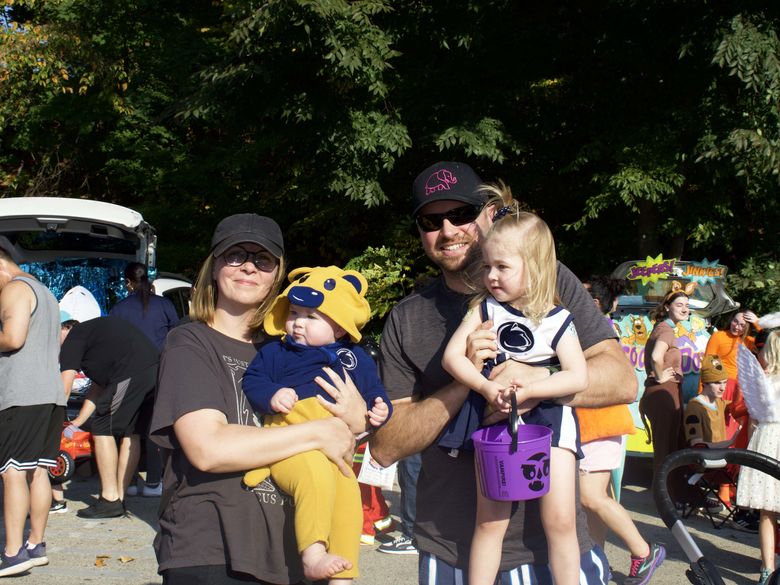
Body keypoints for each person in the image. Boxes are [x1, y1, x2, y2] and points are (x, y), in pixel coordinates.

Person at [370, 161, 639, 585]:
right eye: (431, 220)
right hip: (452, 549)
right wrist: (468, 384)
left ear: (489, 215)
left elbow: (621, 379)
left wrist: (534, 381)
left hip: (555, 550)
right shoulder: (408, 318)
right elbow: (385, 447)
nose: (448, 230)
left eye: (460, 215)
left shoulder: (549, 281)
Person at [149, 214, 358, 584]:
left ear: (277, 276)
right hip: (210, 549)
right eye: (235, 255)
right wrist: (317, 433)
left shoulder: (292, 348)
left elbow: (350, 428)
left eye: (263, 260)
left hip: (287, 550)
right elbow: (207, 448)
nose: (248, 266)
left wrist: (355, 415)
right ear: (213, 267)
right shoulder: (190, 343)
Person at [441, 187, 588, 585]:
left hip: (552, 419)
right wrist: (487, 390)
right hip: (496, 418)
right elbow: (452, 359)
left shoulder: (558, 319)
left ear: (536, 267)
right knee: (490, 521)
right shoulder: (483, 309)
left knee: (560, 520)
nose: (490, 276)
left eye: (502, 267)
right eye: (487, 266)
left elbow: (578, 376)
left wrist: (531, 390)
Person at [241, 265, 392, 582]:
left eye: (311, 317)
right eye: (294, 313)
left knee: (349, 499)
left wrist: (381, 409)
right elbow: (252, 380)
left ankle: (344, 575)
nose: (297, 323)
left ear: (339, 328)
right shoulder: (277, 352)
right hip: (290, 447)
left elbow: (375, 392)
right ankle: (313, 553)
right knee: (315, 474)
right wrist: (271, 395)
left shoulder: (355, 357)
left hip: (337, 454)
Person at [577, 277, 664, 581]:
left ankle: (643, 550)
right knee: (593, 499)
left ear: (594, 304)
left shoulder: (596, 331)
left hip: (600, 422)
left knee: (591, 497)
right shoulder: (596, 329)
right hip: (594, 423)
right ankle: (595, 559)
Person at [0, 236, 65, 576]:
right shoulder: (46, 293)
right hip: (51, 394)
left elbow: (13, 338)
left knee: (12, 472)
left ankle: (12, 554)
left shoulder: (13, 289)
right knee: (38, 470)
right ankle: (35, 544)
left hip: (21, 394)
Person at [59, 316, 160, 518]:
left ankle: (109, 499)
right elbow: (98, 390)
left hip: (132, 371)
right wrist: (76, 422)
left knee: (102, 427)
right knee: (131, 433)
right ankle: (118, 497)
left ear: (64, 328)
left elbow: (64, 387)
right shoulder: (95, 340)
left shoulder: (72, 338)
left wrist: (50, 421)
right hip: (153, 369)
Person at [109, 262, 178, 497]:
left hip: (128, 375)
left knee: (130, 431)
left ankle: (127, 482)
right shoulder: (165, 305)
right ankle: (153, 483)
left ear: (128, 282)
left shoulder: (119, 309)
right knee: (154, 428)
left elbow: (114, 346)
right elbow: (175, 340)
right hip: (160, 374)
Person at [639, 289, 692, 508]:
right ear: (668, 307)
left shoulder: (665, 329)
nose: (685, 308)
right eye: (679, 304)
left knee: (669, 447)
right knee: (665, 449)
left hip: (664, 392)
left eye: (687, 305)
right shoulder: (666, 329)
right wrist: (661, 376)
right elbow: (655, 357)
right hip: (662, 393)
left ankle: (669, 495)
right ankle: (664, 498)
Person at [735, 330, 780, 585]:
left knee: (767, 511)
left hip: (766, 439)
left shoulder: (762, 379)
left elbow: (753, 420)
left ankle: (767, 569)